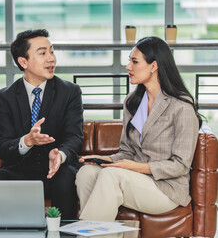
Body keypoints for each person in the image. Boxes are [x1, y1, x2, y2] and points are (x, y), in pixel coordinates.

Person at [75, 36, 202, 221]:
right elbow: (127, 152)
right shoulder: (132, 101)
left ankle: (88, 233)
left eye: (134, 61)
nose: (128, 66)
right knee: (86, 173)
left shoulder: (181, 106)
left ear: (154, 66)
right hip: (135, 179)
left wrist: (137, 167)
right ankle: (103, 234)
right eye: (129, 61)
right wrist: (104, 159)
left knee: (112, 177)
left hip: (166, 188)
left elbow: (181, 165)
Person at [0, 29, 84, 219]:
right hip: (20, 172)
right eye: (42, 53)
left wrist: (59, 155)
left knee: (66, 177)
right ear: (23, 62)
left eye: (51, 52)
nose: (51, 59)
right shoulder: (5, 97)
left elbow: (74, 137)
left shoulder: (69, 92)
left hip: (56, 172)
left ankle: (65, 233)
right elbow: (1, 146)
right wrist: (26, 141)